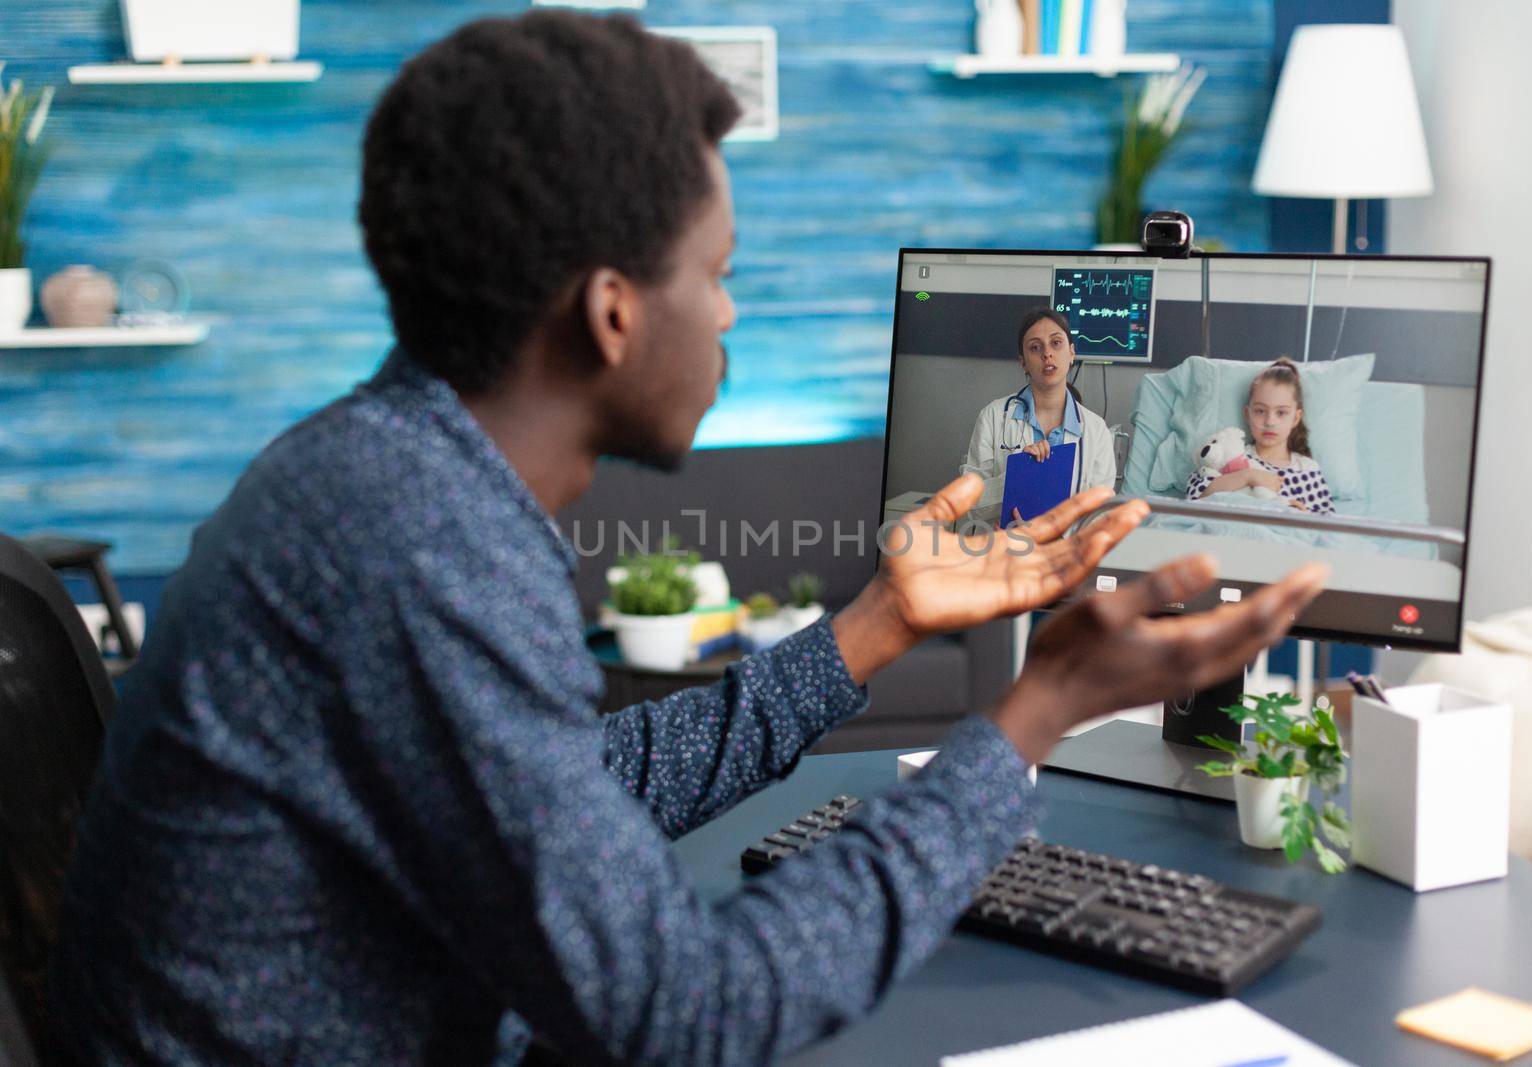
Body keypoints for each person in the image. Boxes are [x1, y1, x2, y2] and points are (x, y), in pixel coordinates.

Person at [47, 12, 1326, 1066]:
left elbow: (575, 790)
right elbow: (686, 1013)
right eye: (713, 272)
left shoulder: (387, 470)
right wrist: (1027, 718)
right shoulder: (417, 543)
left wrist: (872, 628)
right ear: (610, 311)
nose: (726, 313)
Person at [962, 308, 1118, 526]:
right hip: (1001, 549)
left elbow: (1101, 514)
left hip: (1063, 552)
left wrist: (1059, 531)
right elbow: (969, 504)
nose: (1047, 353)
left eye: (1056, 343)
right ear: (1023, 362)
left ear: (1071, 353)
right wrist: (1018, 477)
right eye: (1035, 347)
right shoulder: (994, 416)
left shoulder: (1096, 430)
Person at [1187, 357, 1335, 514]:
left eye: (1281, 412)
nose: (1270, 421)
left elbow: (1325, 523)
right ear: (1247, 414)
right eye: (1260, 411)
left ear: (1296, 418)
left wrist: (1295, 512)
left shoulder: (1306, 468)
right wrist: (1248, 476)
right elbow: (1196, 497)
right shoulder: (1234, 457)